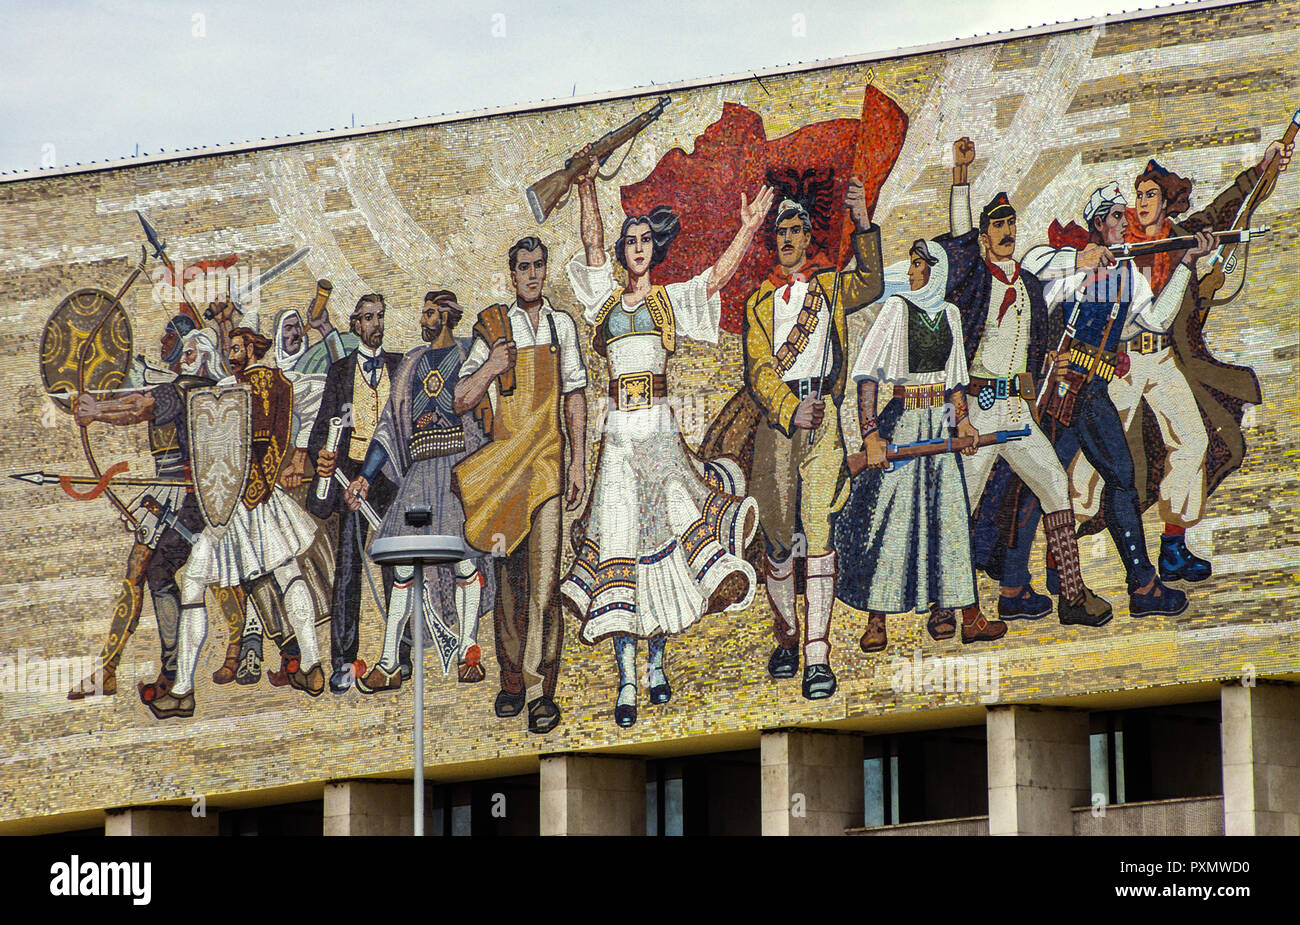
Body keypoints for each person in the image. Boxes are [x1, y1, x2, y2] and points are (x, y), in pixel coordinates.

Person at [561, 143, 768, 728]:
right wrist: (584, 186)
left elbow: (717, 278)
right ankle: (626, 675)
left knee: (668, 539)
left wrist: (748, 228)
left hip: (658, 432)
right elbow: (592, 244)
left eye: (643, 241)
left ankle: (655, 664)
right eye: (629, 242)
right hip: (618, 440)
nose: (634, 249)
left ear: (654, 248)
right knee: (622, 544)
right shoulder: (605, 300)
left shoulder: (668, 301)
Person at [1068, 140, 1291, 581]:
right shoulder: (1116, 236)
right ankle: (1066, 535)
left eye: (1151, 195)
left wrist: (1265, 169)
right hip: (1120, 363)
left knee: (1191, 442)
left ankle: (1172, 547)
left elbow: (1232, 205)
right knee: (1096, 456)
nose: (1141, 203)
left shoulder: (1180, 235)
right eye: (1139, 195)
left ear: (1168, 202)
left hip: (1163, 359)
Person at [938, 137, 1112, 627]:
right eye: (997, 225)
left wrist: (1035, 392)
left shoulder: (1029, 280)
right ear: (983, 236)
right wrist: (960, 176)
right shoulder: (974, 278)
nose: (1007, 231)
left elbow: (1038, 339)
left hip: (1016, 411)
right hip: (977, 408)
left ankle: (1073, 599)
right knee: (960, 507)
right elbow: (956, 233)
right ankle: (947, 606)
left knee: (1056, 486)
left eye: (1011, 223)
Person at [1020, 182, 1213, 618]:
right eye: (1113, 219)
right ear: (1095, 226)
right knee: (1048, 487)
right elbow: (1030, 267)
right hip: (1057, 390)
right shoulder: (1073, 266)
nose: (1123, 225)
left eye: (1122, 219)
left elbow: (1156, 320)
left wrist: (1185, 263)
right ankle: (1037, 584)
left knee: (1105, 480)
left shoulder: (1128, 276)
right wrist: (1079, 260)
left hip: (1091, 392)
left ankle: (1130, 585)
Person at [740, 171, 884, 700]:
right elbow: (757, 369)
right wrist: (786, 408)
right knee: (779, 541)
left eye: (797, 230)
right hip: (779, 427)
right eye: (781, 231)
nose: (788, 239)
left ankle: (818, 653)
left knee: (817, 534)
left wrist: (862, 222)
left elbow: (869, 281)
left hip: (824, 416)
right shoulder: (758, 302)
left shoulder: (828, 286)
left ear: (808, 238)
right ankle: (786, 633)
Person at [144, 326, 326, 719]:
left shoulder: (235, 387)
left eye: (237, 346)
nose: (231, 351)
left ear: (253, 348)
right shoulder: (281, 382)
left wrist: (295, 459)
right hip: (253, 499)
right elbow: (311, 408)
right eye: (229, 347)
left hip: (235, 505)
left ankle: (183, 690)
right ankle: (311, 666)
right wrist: (295, 455)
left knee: (194, 581)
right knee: (287, 574)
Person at [833, 240, 1005, 649]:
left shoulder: (950, 316)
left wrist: (962, 424)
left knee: (949, 518)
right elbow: (868, 376)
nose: (910, 273)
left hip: (939, 430)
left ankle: (963, 614)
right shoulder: (896, 309)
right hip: (904, 422)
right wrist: (871, 435)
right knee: (891, 520)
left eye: (917, 265)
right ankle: (878, 619)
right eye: (910, 265)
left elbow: (955, 381)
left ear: (936, 271)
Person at [66, 321, 242, 704]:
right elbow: (140, 398)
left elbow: (139, 406)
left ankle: (162, 668)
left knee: (164, 571)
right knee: (160, 572)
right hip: (179, 494)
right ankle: (130, 669)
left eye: (186, 348)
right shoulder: (189, 387)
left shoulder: (184, 389)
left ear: (201, 355)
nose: (176, 351)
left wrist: (97, 409)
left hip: (186, 497)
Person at [452, 237, 588, 734]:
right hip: (507, 473)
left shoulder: (561, 326)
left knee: (546, 585)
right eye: (524, 268)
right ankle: (510, 676)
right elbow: (461, 399)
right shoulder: (494, 330)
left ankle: (538, 689)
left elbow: (574, 396)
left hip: (548, 468)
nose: (532, 275)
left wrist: (577, 464)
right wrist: (492, 365)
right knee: (510, 584)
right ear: (512, 275)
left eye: (538, 266)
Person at [346, 292, 494, 692]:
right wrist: (364, 477)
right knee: (405, 567)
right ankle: (390, 662)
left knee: (464, 562)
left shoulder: (468, 356)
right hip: (417, 477)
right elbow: (389, 429)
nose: (423, 321)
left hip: (457, 472)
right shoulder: (411, 363)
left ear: (445, 316)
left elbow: (488, 414)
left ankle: (468, 651)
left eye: (429, 313)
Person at [309, 294, 407, 693]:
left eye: (380, 317)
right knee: (348, 570)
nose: (376, 324)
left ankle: (400, 655)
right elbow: (320, 432)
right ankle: (344, 663)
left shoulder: (401, 366)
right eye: (368, 318)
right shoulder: (340, 371)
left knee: (398, 568)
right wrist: (323, 458)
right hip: (352, 479)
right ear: (355, 325)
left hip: (394, 477)